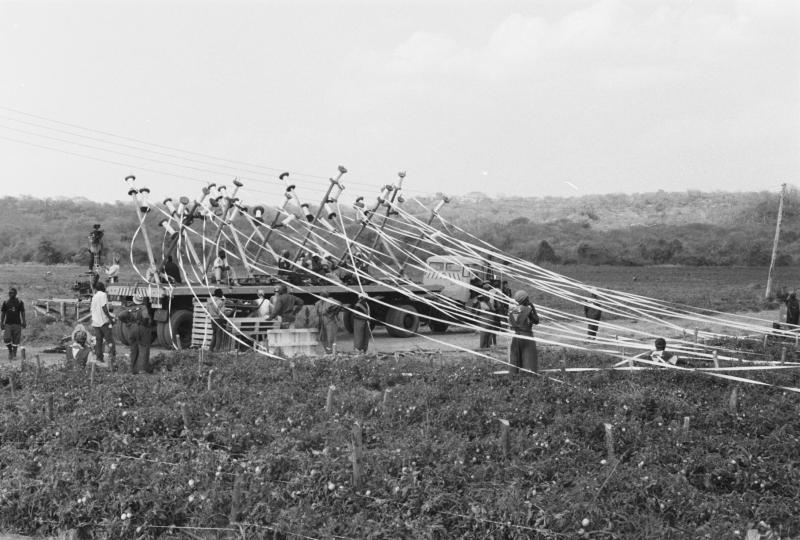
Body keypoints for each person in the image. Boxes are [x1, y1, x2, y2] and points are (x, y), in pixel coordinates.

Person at [119, 293, 153, 374]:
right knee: (144, 348)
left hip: (131, 329)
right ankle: (143, 369)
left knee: (133, 349)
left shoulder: (129, 308)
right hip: (140, 328)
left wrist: (127, 322)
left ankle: (133, 369)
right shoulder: (143, 307)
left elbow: (120, 315)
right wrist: (145, 324)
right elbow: (145, 317)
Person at [508, 290, 540, 374]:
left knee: (515, 357)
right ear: (525, 299)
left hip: (516, 337)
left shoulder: (513, 310)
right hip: (527, 336)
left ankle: (514, 375)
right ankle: (529, 376)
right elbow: (536, 321)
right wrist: (533, 307)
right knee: (529, 357)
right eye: (528, 297)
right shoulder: (527, 310)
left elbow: (511, 325)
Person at [90, 282, 116, 368]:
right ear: (102, 287)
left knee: (99, 341)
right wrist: (110, 318)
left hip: (95, 322)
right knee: (110, 340)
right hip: (103, 322)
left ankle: (99, 358)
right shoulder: (103, 295)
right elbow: (104, 307)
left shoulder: (94, 296)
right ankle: (113, 358)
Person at [1, 287, 26, 361]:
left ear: (16, 293)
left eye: (12, 293)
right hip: (8, 323)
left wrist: (24, 321)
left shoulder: (20, 302)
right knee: (6, 338)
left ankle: (14, 354)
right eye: (9, 293)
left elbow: (22, 312)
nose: (10, 294)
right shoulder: (6, 302)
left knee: (16, 340)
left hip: (17, 323)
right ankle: (10, 351)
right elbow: (3, 313)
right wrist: (1, 322)